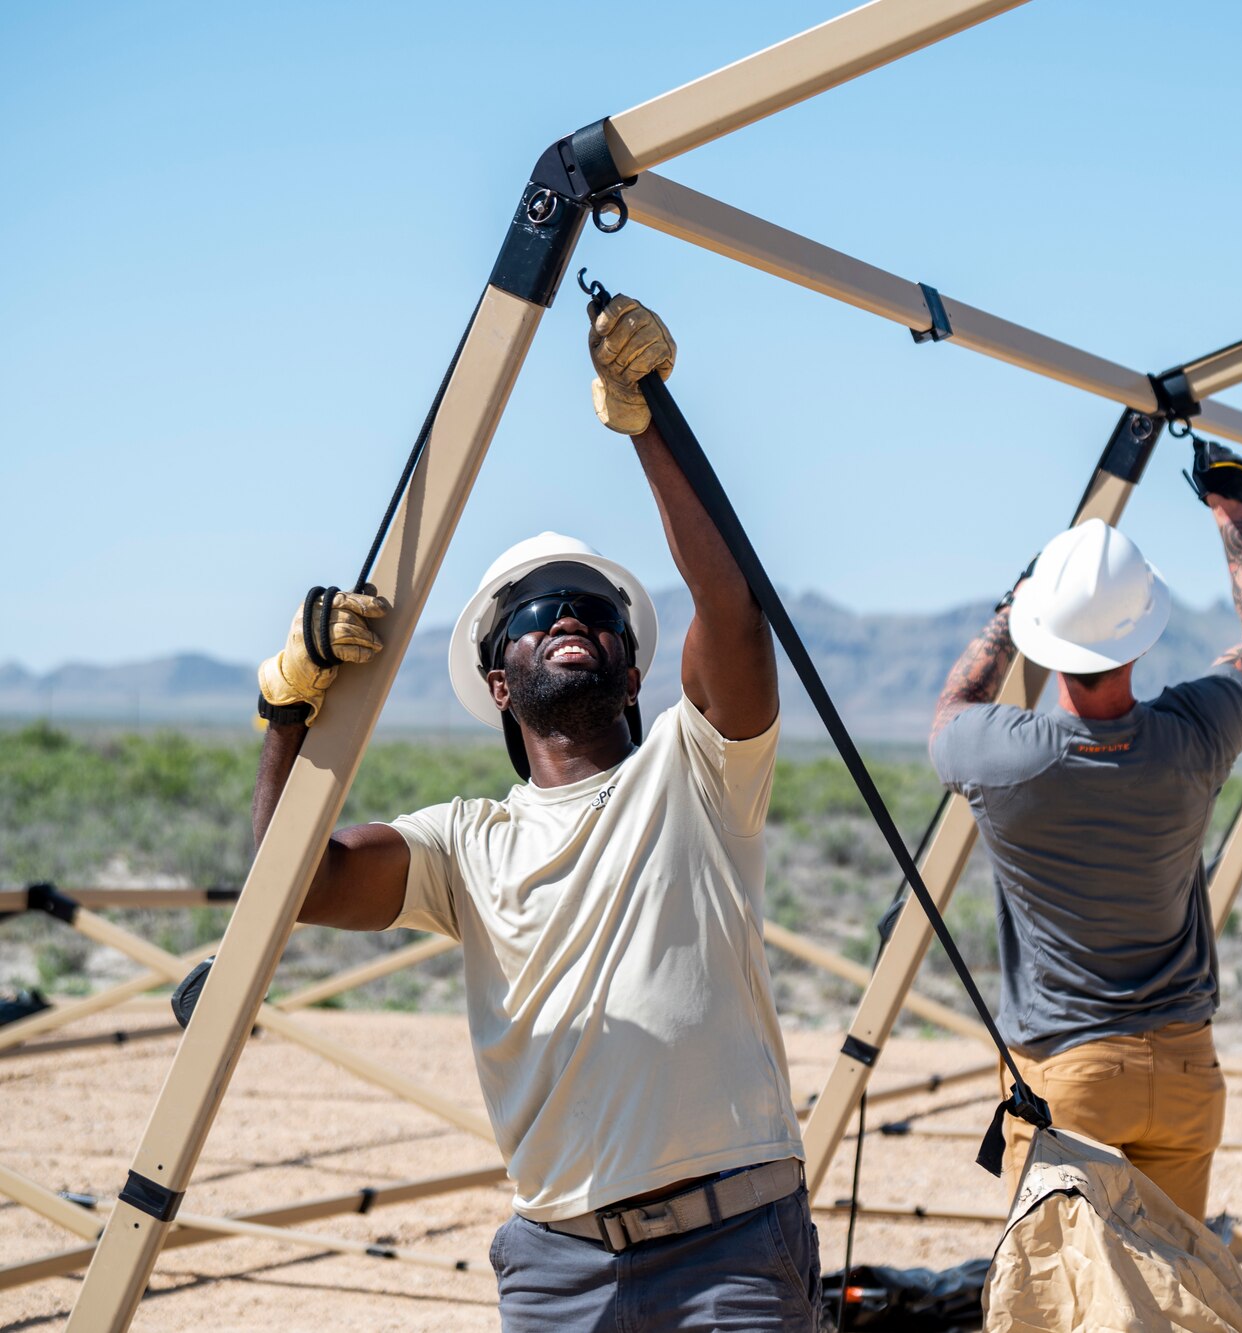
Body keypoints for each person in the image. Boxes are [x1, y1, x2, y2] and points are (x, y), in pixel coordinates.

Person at [251, 292, 819, 1329]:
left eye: (593, 609)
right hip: (558, 1269)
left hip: (731, 1245)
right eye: (529, 611)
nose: (564, 612)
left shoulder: (693, 772)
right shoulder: (466, 842)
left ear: (635, 664)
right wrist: (285, 713)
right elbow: (293, 886)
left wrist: (647, 421)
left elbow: (730, 608)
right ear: (498, 684)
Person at [928, 439, 1242, 1220]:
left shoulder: (1002, 757)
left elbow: (953, 704)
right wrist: (1230, 505)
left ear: (1041, 637)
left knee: (1064, 1295)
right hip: (1187, 1073)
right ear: (1144, 633)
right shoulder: (1195, 733)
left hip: (1072, 1078)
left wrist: (1009, 608)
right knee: (1168, 1292)